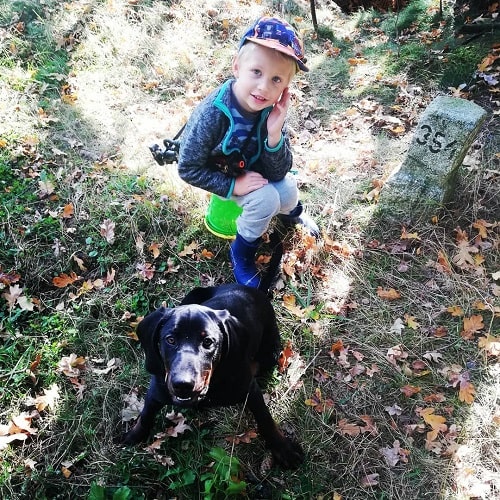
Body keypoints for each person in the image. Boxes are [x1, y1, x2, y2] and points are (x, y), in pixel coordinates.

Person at [177, 16, 319, 288]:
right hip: (225, 173)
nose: (264, 87)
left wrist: (274, 134)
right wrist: (233, 184)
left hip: (256, 168)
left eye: (276, 79)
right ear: (237, 67)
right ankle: (242, 251)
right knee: (265, 199)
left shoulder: (271, 109)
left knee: (287, 189)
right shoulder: (213, 115)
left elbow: (279, 170)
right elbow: (188, 168)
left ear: (286, 87)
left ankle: (292, 215)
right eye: (256, 72)